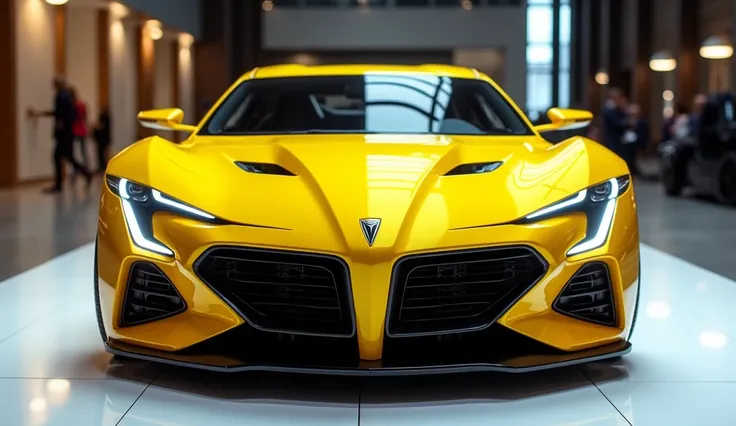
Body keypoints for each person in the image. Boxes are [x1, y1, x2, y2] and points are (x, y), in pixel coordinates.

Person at [28, 76, 92, 193]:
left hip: (65, 134)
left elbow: (62, 113)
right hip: (67, 133)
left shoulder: (62, 96)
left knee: (58, 157)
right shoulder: (64, 96)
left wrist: (62, 123)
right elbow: (59, 113)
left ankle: (60, 184)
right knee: (68, 157)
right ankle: (86, 174)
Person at [601, 88, 631, 156]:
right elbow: (616, 123)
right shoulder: (608, 109)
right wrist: (627, 122)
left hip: (617, 140)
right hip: (612, 140)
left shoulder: (617, 108)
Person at [69, 86, 89, 171]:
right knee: (83, 151)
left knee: (75, 153)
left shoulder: (74, 106)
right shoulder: (82, 104)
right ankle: (86, 169)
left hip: (75, 130)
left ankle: (78, 170)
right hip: (82, 130)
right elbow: (85, 117)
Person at [93, 107, 111, 173]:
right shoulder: (107, 118)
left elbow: (101, 126)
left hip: (103, 139)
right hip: (103, 139)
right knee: (101, 154)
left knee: (102, 154)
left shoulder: (106, 118)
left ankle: (103, 167)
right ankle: (102, 167)